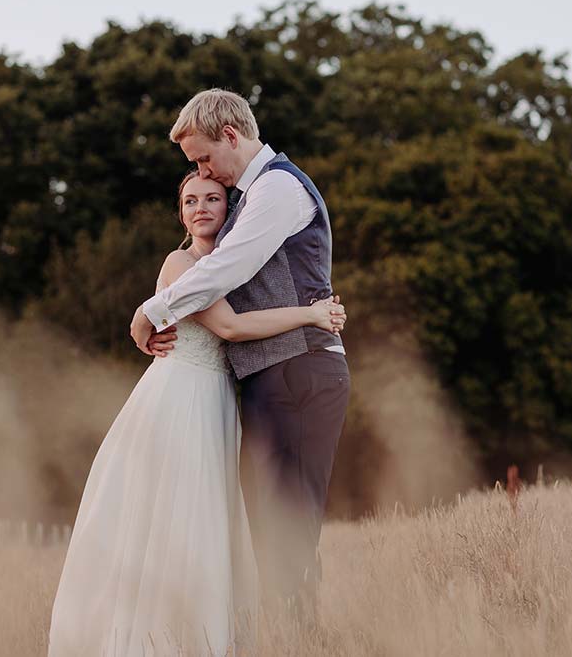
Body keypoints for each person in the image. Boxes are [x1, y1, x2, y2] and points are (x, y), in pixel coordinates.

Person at [48, 171, 346, 656]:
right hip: (180, 399)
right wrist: (311, 314)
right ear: (181, 213)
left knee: (212, 522)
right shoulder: (179, 262)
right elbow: (229, 327)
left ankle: (206, 636)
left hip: (220, 402)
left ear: (231, 209)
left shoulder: (236, 265)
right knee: (172, 515)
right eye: (190, 201)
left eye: (213, 198)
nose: (202, 207)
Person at [129, 88, 351, 613]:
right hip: (269, 374)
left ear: (231, 136)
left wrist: (152, 310)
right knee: (272, 525)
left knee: (288, 524)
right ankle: (295, 636)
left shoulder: (277, 189)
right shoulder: (248, 195)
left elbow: (228, 269)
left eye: (204, 157)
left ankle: (302, 639)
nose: (204, 170)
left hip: (300, 368)